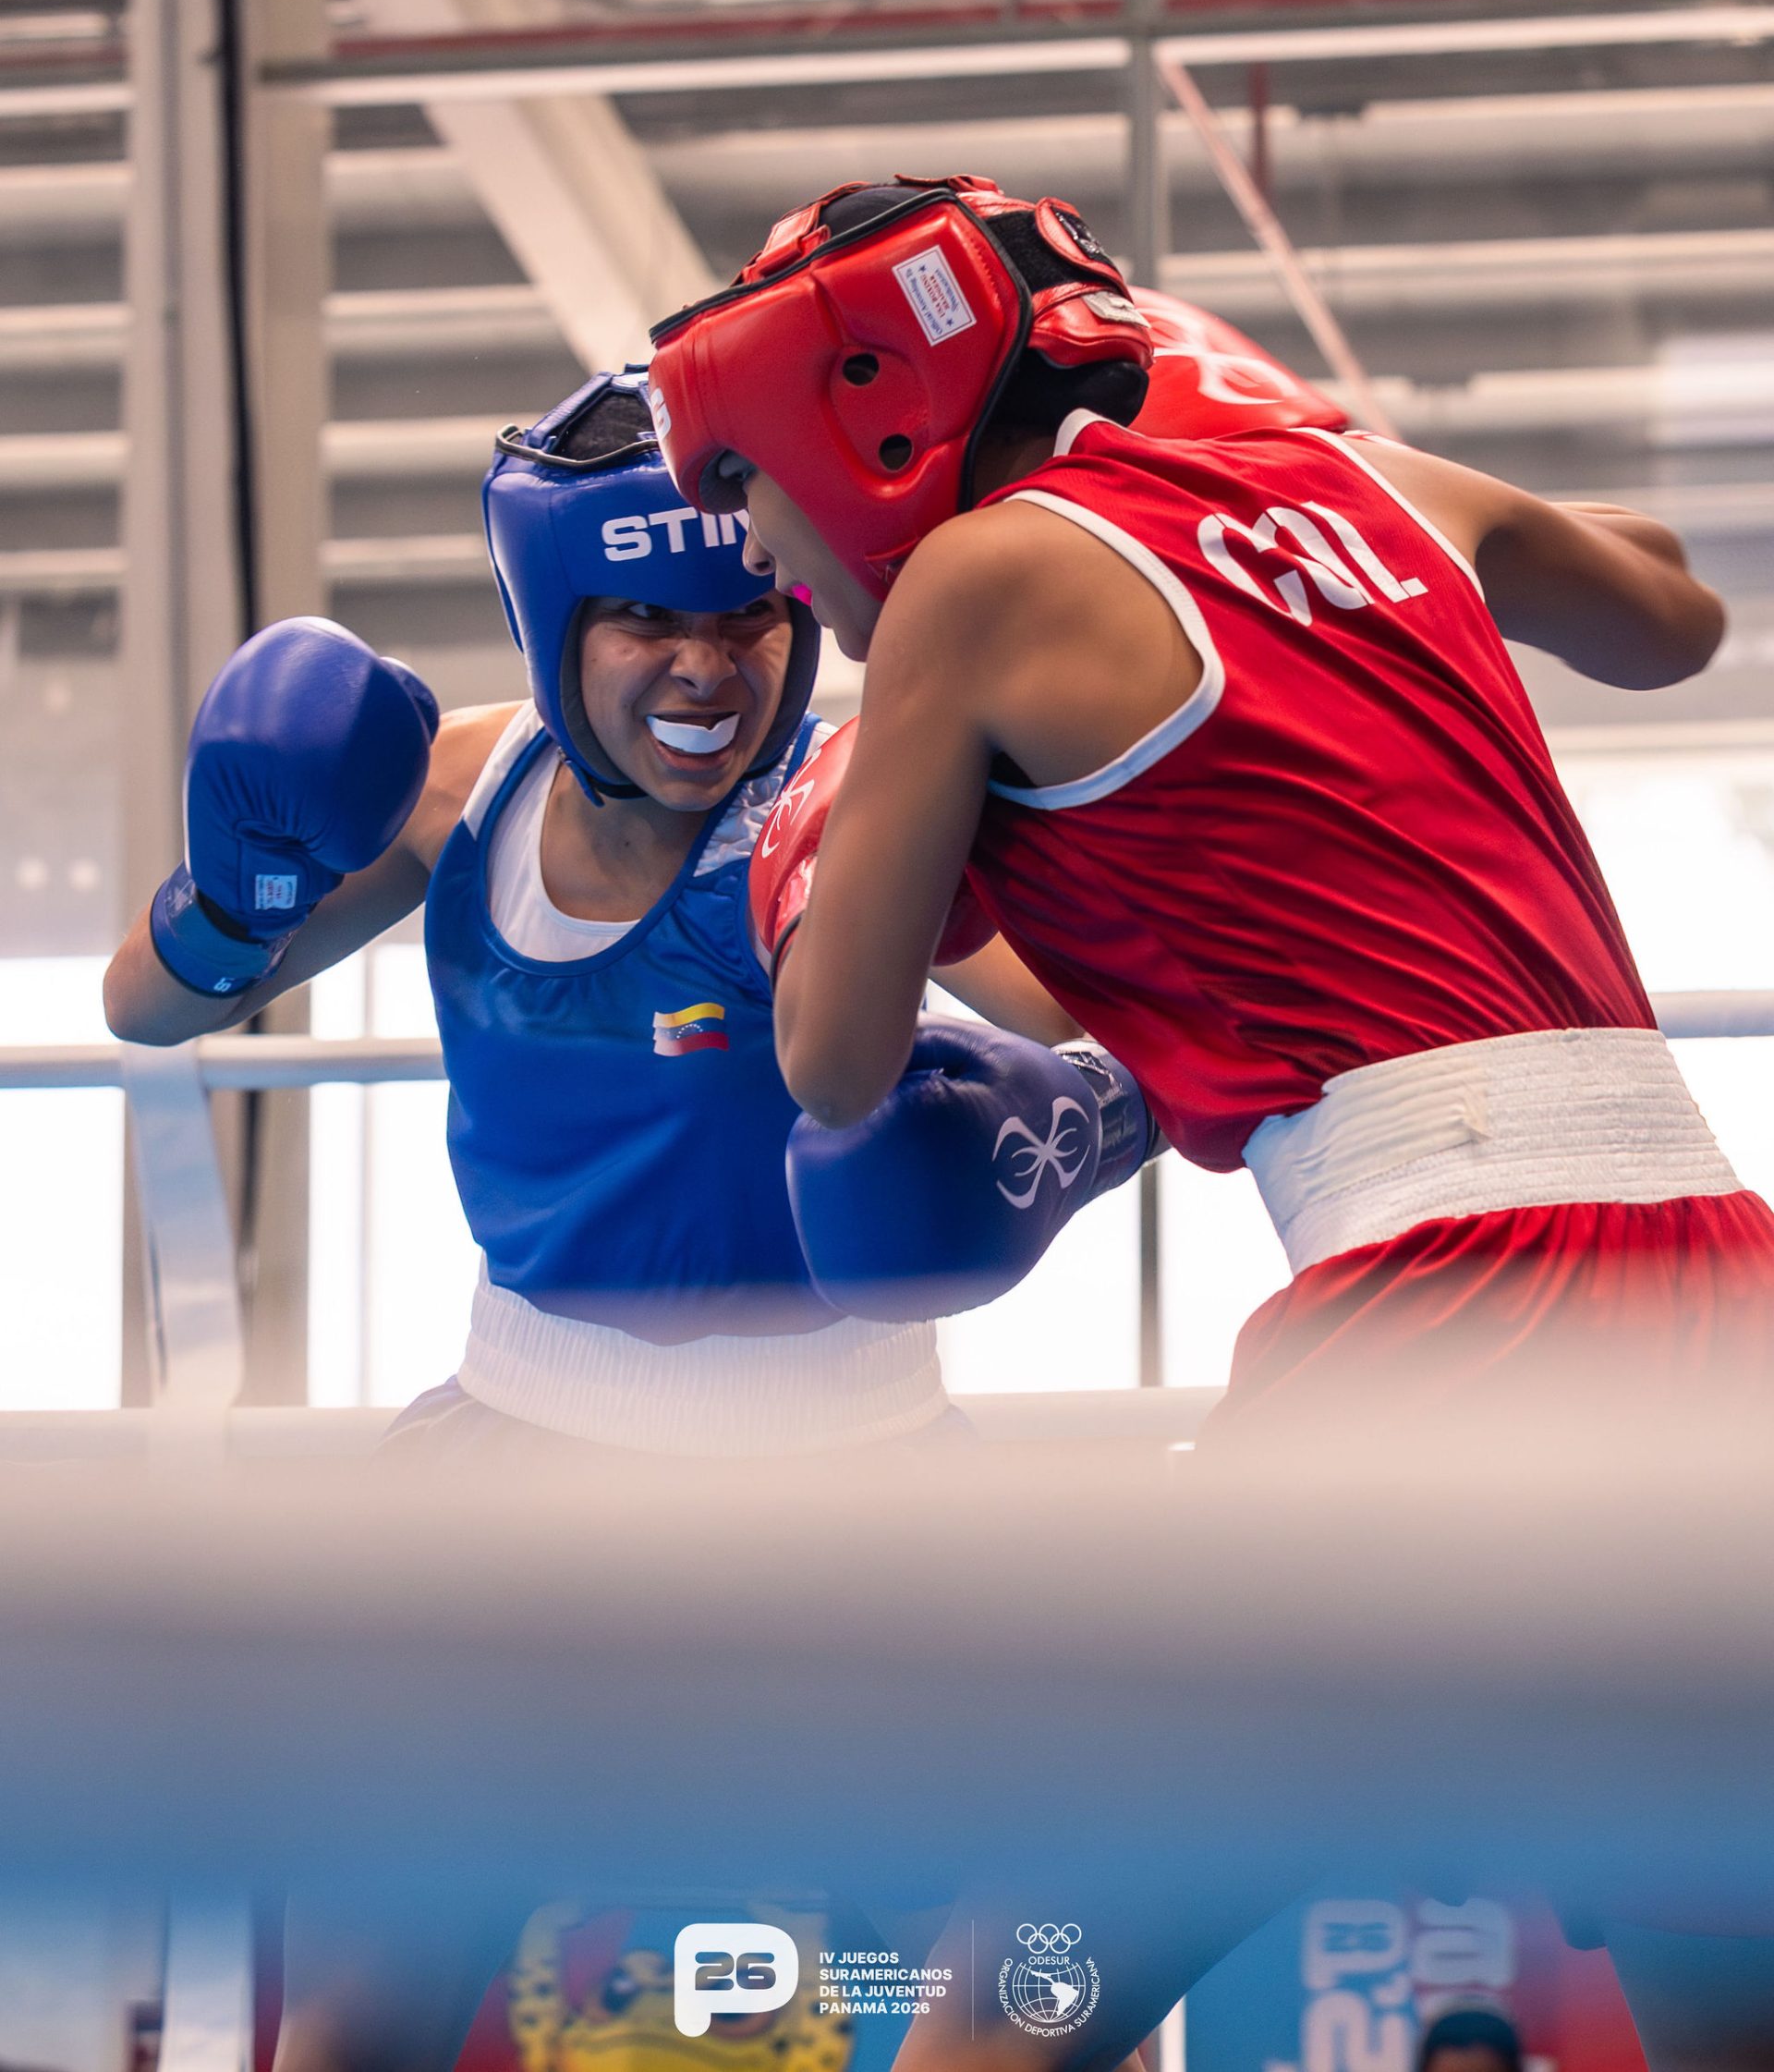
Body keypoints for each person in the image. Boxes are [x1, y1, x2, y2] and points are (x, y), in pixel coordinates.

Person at [643, 175, 1774, 2069]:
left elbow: (834, 1059)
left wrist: (808, 849)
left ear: (860, 411)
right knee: (1724, 1988)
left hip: (1452, 1319)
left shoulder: (975, 580)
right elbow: (1673, 616)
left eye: (745, 484)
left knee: (1010, 1999)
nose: (752, 551)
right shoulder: (1362, 487)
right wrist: (1370, 472)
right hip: (1723, 1289)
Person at [102, 364, 1154, 2072]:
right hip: (524, 1456)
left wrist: (1089, 1114)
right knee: (364, 2014)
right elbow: (152, 1011)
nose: (704, 666)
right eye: (647, 620)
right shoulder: (451, 795)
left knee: (1028, 1976)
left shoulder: (857, 809)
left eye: (747, 614)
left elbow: (1091, 1005)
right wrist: (243, 883)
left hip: (868, 1481)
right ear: (554, 628)